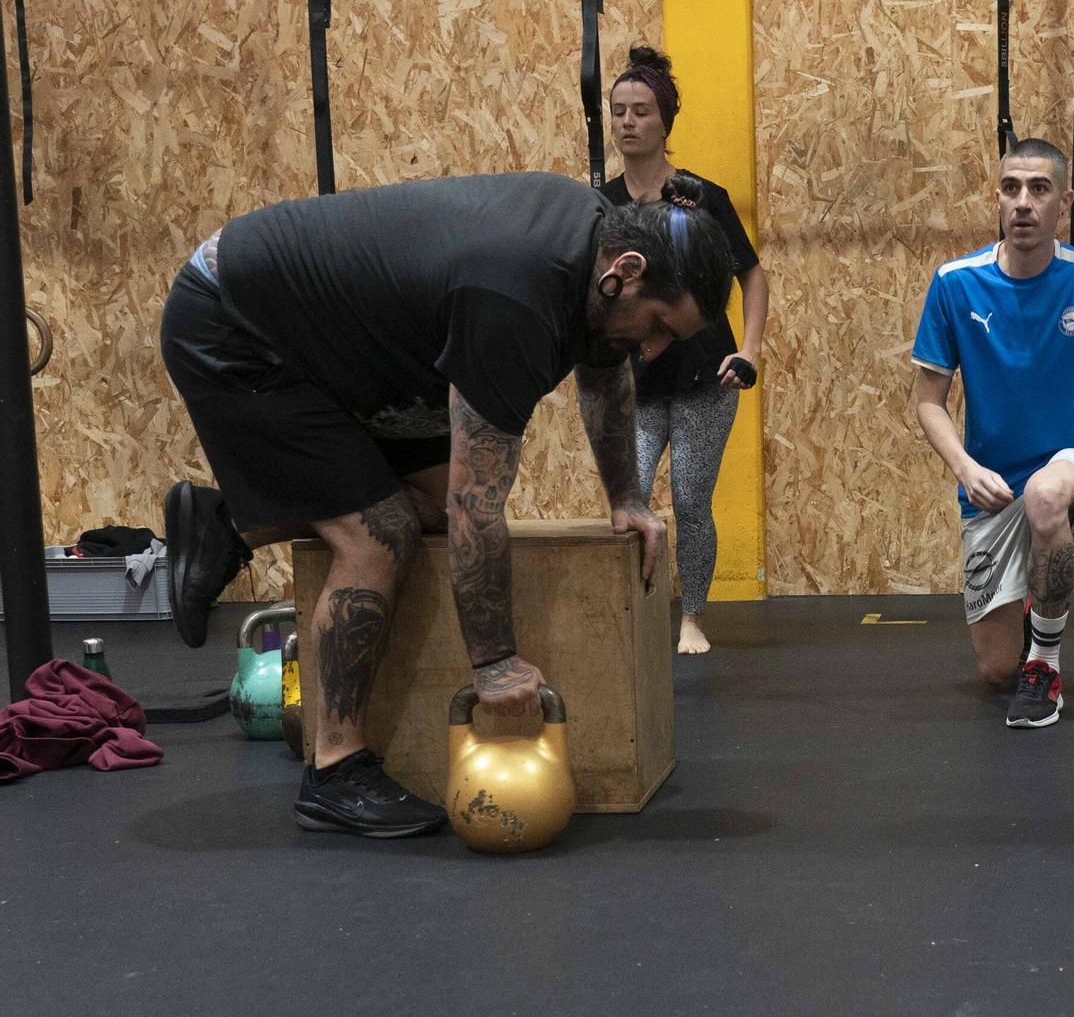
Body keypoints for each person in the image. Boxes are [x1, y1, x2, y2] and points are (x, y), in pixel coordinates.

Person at [160, 173, 734, 836]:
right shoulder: (516, 295)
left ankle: (227, 522)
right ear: (626, 271)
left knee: (422, 509)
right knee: (380, 537)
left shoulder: (597, 249)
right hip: (237, 326)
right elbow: (476, 503)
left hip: (344, 346)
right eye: (659, 324)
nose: (655, 346)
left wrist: (626, 495)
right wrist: (493, 662)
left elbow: (604, 374)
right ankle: (334, 771)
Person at [910, 138, 1074, 729]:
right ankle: (1030, 627)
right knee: (994, 670)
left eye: (1039, 189)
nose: (1023, 202)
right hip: (990, 485)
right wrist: (965, 468)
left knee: (1045, 499)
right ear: (996, 197)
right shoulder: (955, 283)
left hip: (1070, 464)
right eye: (1011, 188)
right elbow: (928, 402)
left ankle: (1045, 663)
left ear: (1062, 202)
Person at [604, 45, 767, 656]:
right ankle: (639, 618)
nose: (626, 123)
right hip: (633, 383)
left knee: (692, 500)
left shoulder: (700, 198)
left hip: (705, 377)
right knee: (633, 498)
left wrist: (748, 350)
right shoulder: (601, 206)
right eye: (617, 111)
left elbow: (751, 275)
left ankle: (691, 616)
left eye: (640, 111)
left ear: (664, 122)